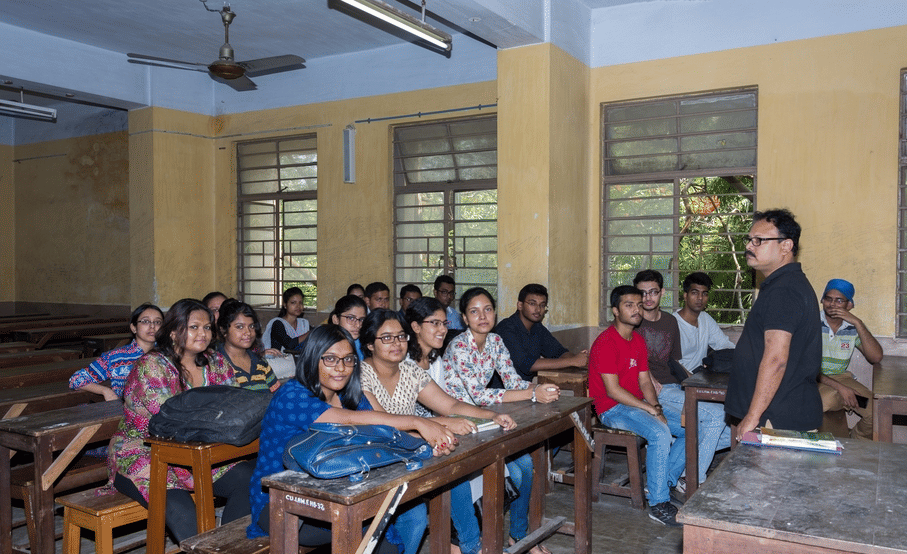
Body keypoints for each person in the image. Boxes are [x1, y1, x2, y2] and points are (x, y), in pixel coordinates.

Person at [247, 325, 458, 553]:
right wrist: (418, 422)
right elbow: (348, 420)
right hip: (284, 504)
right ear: (311, 359)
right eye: (330, 359)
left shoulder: (350, 396)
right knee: (370, 533)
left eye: (348, 360)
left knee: (402, 527)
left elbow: (384, 431)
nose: (341, 368)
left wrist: (428, 442)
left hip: (343, 490)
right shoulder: (292, 396)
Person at [360, 308, 517, 554]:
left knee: (457, 470)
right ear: (369, 344)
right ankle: (470, 546)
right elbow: (383, 425)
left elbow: (450, 404)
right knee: (422, 510)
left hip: (409, 450)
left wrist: (493, 415)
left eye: (401, 337)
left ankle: (470, 546)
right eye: (387, 338)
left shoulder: (409, 371)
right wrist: (439, 426)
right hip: (378, 457)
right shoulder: (361, 376)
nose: (397, 343)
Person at [110, 298, 252, 543]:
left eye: (207, 327)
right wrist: (218, 418)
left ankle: (227, 546)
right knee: (185, 513)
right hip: (145, 453)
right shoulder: (152, 367)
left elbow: (236, 404)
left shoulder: (216, 362)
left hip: (200, 451)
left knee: (253, 480)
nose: (203, 333)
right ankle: (207, 547)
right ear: (174, 331)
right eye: (194, 327)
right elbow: (174, 421)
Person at [443, 287, 558, 554]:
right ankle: (474, 539)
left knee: (527, 466)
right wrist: (531, 393)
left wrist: (539, 389)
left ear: (494, 312)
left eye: (487, 309)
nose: (482, 316)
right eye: (474, 311)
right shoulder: (459, 346)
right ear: (464, 318)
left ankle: (518, 537)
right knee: (515, 472)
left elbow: (512, 380)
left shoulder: (495, 341)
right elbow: (478, 395)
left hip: (487, 420)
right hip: (458, 421)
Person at [588, 285, 684, 527]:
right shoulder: (606, 342)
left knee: (689, 426)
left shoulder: (638, 340)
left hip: (636, 404)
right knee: (660, 432)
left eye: (639, 305)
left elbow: (644, 379)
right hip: (611, 409)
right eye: (629, 305)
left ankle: (661, 484)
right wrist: (650, 410)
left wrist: (655, 406)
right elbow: (613, 390)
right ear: (615, 311)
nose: (637, 309)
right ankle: (658, 505)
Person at [726, 209, 822, 436]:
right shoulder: (784, 285)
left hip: (775, 418)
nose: (750, 246)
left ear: (786, 247)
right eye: (749, 240)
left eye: (759, 240)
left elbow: (776, 359)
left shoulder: (784, 290)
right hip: (777, 414)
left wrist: (753, 416)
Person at [816, 279, 883, 440]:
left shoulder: (851, 327)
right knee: (826, 400)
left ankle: (854, 442)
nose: (832, 304)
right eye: (828, 299)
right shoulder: (811, 323)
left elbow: (876, 357)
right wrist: (841, 389)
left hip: (842, 379)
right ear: (822, 301)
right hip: (816, 378)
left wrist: (858, 323)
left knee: (875, 411)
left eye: (839, 300)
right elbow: (804, 367)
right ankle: (845, 396)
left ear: (849, 305)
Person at [494, 284, 589, 383]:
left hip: (524, 389)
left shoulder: (537, 328)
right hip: (501, 393)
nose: (538, 309)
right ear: (520, 305)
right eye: (532, 303)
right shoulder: (506, 329)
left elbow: (559, 352)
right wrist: (572, 361)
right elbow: (527, 364)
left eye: (542, 305)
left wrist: (580, 359)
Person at [69, 303, 163, 401]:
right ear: (133, 328)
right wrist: (105, 391)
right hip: (128, 413)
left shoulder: (167, 354)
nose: (152, 326)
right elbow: (76, 379)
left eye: (158, 322)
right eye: (145, 321)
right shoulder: (116, 357)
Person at [673, 272, 736, 372]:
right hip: (678, 381)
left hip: (700, 377)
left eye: (704, 294)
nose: (700, 298)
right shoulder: (673, 323)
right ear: (685, 296)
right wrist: (689, 380)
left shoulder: (705, 318)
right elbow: (671, 362)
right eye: (694, 293)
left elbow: (723, 344)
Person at [216, 299, 281, 392]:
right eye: (239, 327)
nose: (248, 332)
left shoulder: (260, 363)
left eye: (251, 326)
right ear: (223, 330)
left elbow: (276, 396)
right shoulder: (215, 365)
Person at [263, 287, 310, 352]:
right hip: (278, 360)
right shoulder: (277, 324)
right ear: (285, 305)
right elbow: (289, 344)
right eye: (293, 303)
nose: (298, 306)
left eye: (300, 303)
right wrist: (309, 334)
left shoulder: (304, 324)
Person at [329, 294, 368, 361]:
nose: (358, 325)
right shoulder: (325, 345)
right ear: (336, 320)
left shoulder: (364, 345)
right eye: (351, 318)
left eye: (362, 319)